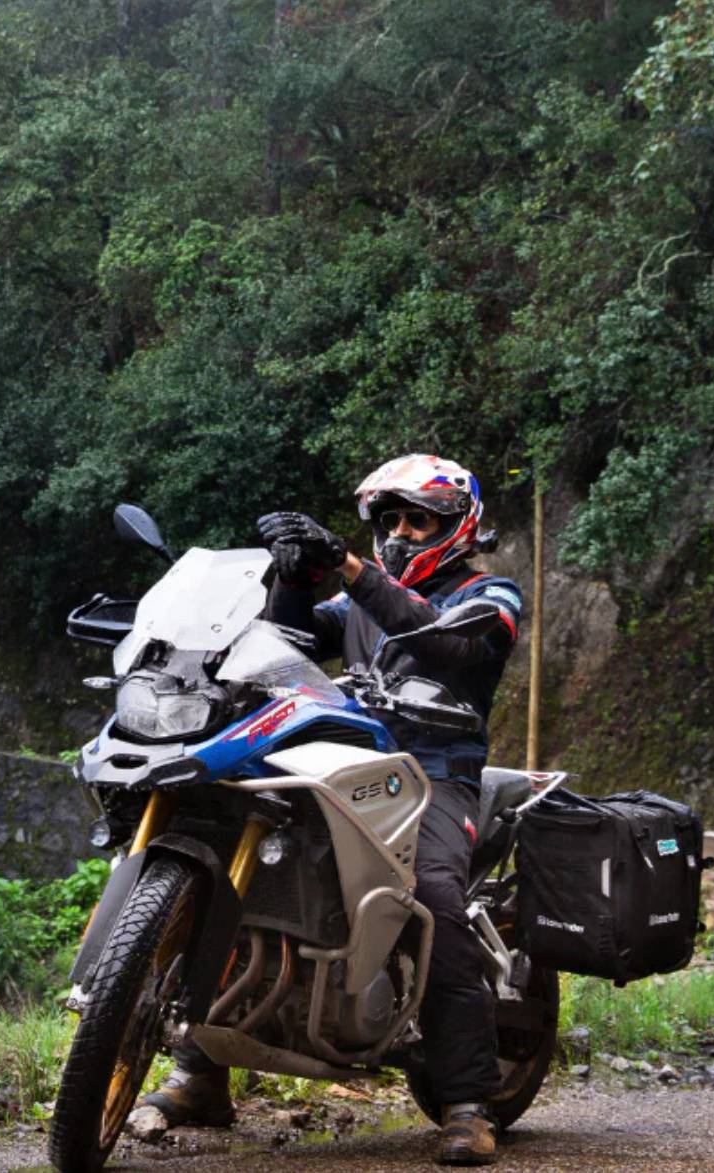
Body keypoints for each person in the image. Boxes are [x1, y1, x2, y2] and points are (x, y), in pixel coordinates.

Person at [135, 454, 523, 1167]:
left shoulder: (490, 592)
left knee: (430, 896)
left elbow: (448, 644)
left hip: (435, 776)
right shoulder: (356, 603)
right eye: (390, 520)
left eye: (418, 519)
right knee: (240, 873)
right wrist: (292, 573)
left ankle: (469, 1103)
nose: (402, 532)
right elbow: (289, 640)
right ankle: (200, 1070)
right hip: (341, 759)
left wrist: (347, 564)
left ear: (456, 526)